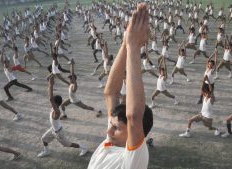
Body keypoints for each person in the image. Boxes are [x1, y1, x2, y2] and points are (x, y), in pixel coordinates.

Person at [88, 4, 153, 169]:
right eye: (112, 125)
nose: (108, 131)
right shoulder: (112, 142)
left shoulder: (133, 159)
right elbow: (110, 92)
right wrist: (125, 43)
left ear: (136, 132)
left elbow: (134, 116)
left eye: (116, 128)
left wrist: (134, 47)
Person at [37, 76, 88, 158]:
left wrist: (50, 85)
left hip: (59, 133)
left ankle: (84, 147)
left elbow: (50, 98)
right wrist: (49, 85)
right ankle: (46, 151)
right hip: (53, 130)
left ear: (56, 103)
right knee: (44, 138)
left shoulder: (57, 111)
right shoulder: (54, 108)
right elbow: (50, 98)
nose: (51, 102)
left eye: (53, 101)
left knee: (68, 144)